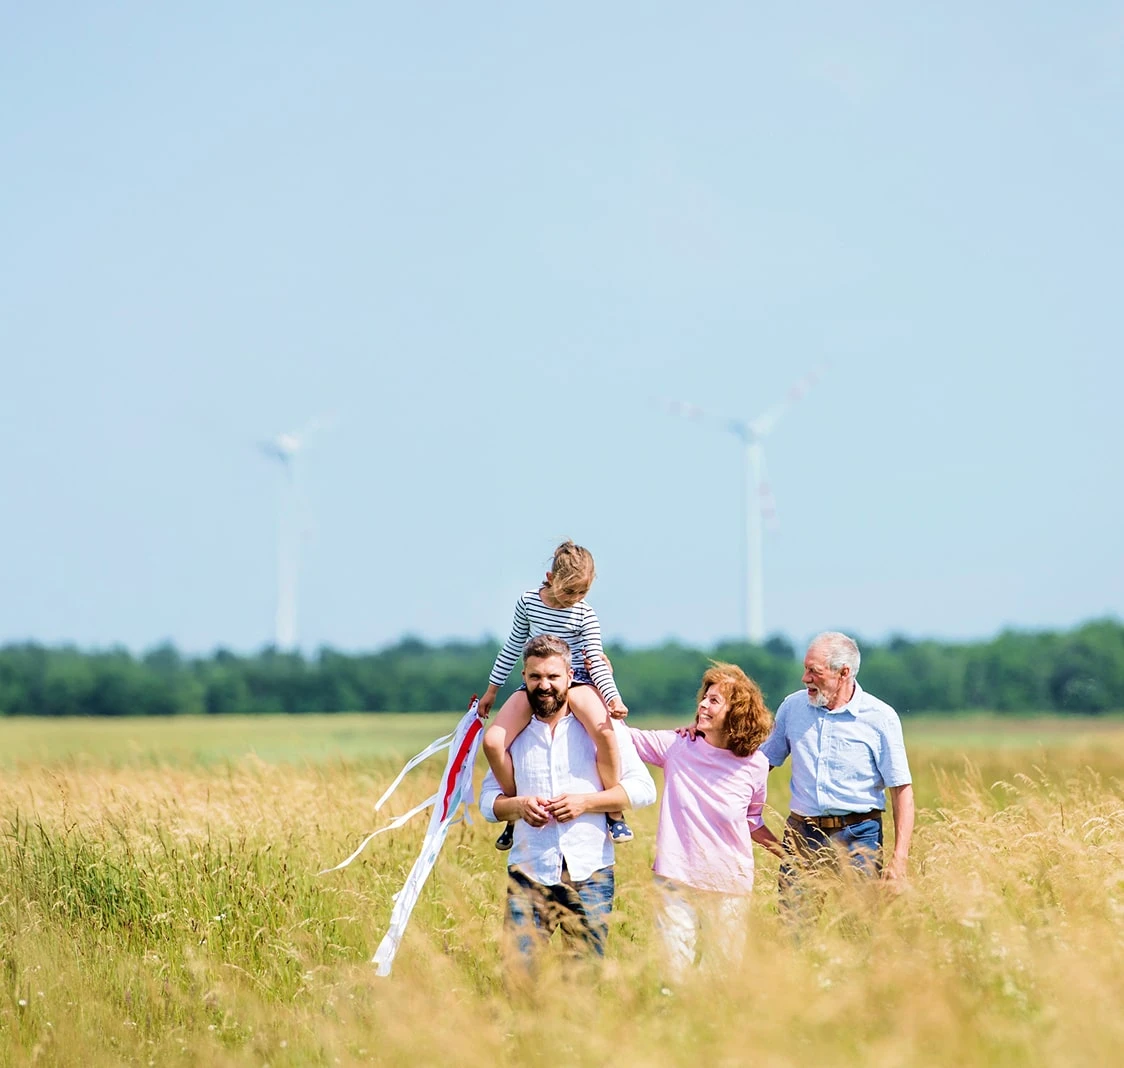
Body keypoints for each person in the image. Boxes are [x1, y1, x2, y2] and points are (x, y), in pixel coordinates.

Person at [478, 634, 656, 973]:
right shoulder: (514, 733)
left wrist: (585, 803)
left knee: (583, 982)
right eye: (535, 677)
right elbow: (489, 801)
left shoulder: (603, 726)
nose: (544, 685)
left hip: (590, 872)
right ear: (524, 679)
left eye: (552, 677)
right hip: (528, 872)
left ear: (570, 677)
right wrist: (518, 806)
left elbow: (644, 788)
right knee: (518, 976)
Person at [627, 662, 784, 980]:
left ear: (736, 714)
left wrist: (786, 853)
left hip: (729, 886)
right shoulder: (676, 746)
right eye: (704, 697)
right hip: (676, 880)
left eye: (714, 700)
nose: (702, 704)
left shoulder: (755, 765)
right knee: (675, 975)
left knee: (721, 976)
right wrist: (598, 681)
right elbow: (618, 736)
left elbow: (752, 819)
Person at [478, 540, 632, 851]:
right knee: (493, 741)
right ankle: (514, 810)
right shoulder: (528, 602)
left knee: (604, 732)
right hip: (539, 680)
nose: (574, 599)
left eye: (581, 593)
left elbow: (596, 660)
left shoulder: (585, 614)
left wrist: (613, 698)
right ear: (550, 578)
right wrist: (492, 690)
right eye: (568, 592)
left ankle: (614, 813)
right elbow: (512, 647)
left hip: (578, 679)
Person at [759, 631, 915, 899]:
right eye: (805, 669)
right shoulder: (792, 708)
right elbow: (761, 764)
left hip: (859, 835)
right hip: (802, 834)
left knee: (857, 929)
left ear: (843, 673)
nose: (805, 678)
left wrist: (899, 859)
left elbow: (901, 790)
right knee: (793, 929)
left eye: (813, 671)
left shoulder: (880, 717)